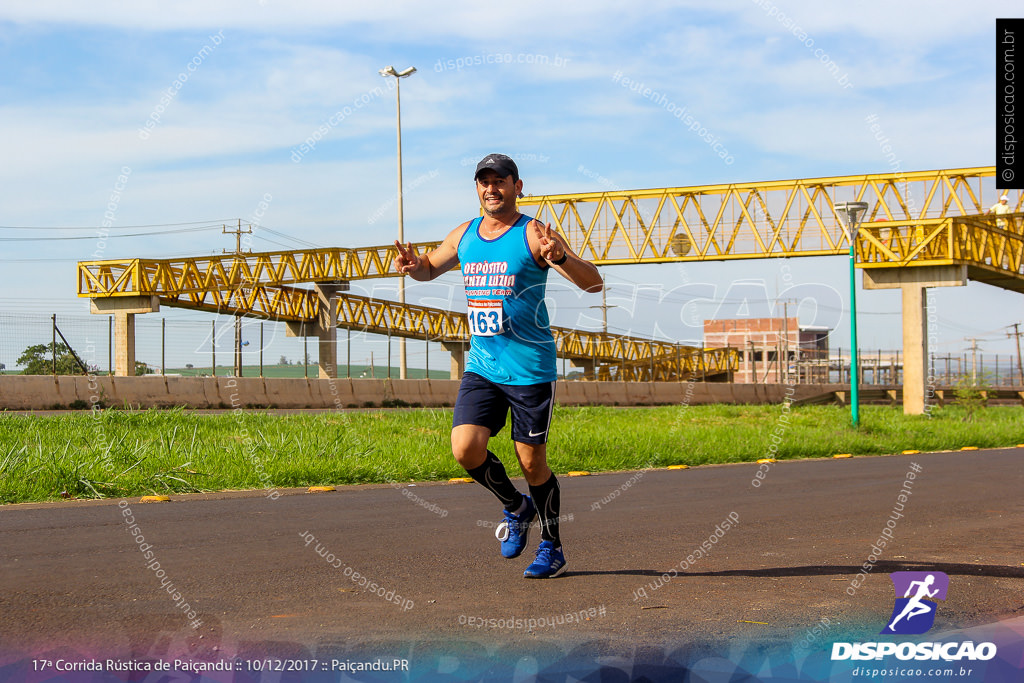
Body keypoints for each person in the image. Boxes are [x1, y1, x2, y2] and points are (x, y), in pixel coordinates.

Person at [393, 153, 602, 578]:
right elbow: (430, 269)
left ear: (517, 186)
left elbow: (594, 282)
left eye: (500, 180)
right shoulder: (466, 234)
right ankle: (515, 507)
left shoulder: (534, 234)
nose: (492, 188)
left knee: (532, 462)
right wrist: (415, 267)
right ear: (477, 189)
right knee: (465, 448)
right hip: (484, 365)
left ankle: (552, 546)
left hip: (529, 369)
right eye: (484, 181)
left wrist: (560, 257)